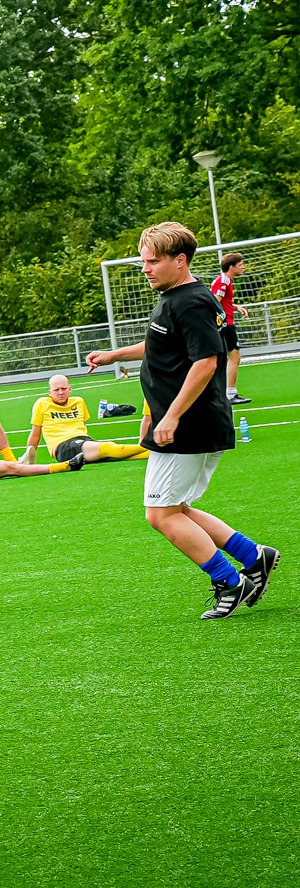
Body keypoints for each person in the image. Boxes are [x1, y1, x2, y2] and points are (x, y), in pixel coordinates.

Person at [86, 222, 279, 619]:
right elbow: (163, 344)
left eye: (153, 261)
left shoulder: (190, 302)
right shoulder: (176, 297)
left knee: (161, 515)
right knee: (177, 509)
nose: (145, 269)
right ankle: (253, 556)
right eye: (143, 261)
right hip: (191, 423)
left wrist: (171, 416)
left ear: (180, 260)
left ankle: (230, 582)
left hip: (188, 426)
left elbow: (206, 361)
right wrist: (115, 355)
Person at [21, 374, 147, 471]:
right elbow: (35, 433)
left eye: (63, 388)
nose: (60, 392)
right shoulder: (42, 403)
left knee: (119, 455)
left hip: (83, 440)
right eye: (56, 390)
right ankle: (150, 446)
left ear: (70, 389)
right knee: (109, 448)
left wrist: (88, 442)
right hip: (63, 447)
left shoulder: (79, 401)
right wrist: (29, 454)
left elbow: (83, 426)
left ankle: (154, 452)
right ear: (50, 392)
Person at [213, 250, 251, 405]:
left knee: (225, 358)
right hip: (225, 324)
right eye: (240, 264)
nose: (243, 267)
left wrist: (235, 307)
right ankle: (230, 394)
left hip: (225, 323)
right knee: (234, 357)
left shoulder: (226, 280)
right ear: (231, 267)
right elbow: (214, 302)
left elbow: (221, 301)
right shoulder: (223, 281)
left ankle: (225, 393)